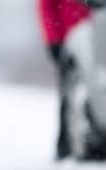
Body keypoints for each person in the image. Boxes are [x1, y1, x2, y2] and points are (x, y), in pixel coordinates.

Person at [37, 0, 91, 159]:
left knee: (86, 94)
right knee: (69, 94)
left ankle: (91, 143)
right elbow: (46, 7)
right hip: (67, 41)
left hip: (92, 37)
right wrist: (53, 40)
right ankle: (66, 145)